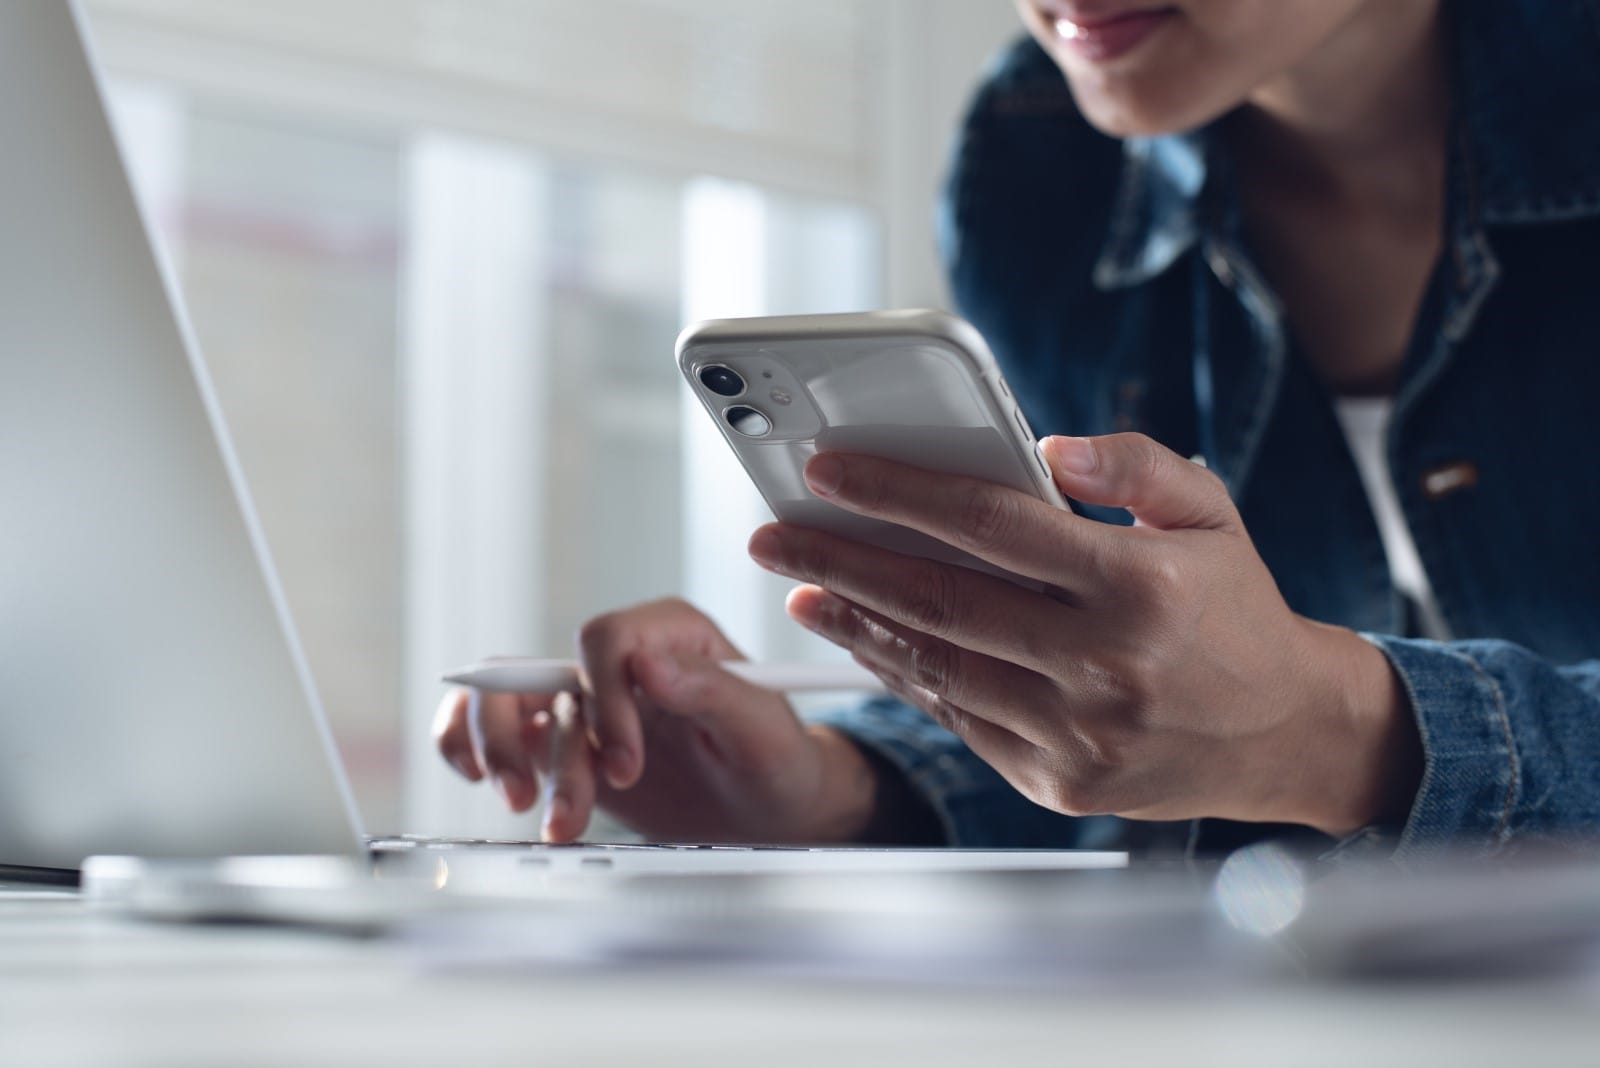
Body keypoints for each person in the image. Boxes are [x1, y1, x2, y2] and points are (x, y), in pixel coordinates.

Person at [434, 0, 1600, 858]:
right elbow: (1144, 737)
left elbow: (1262, 739)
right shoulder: (1044, 162)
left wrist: (1334, 733)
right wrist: (837, 790)